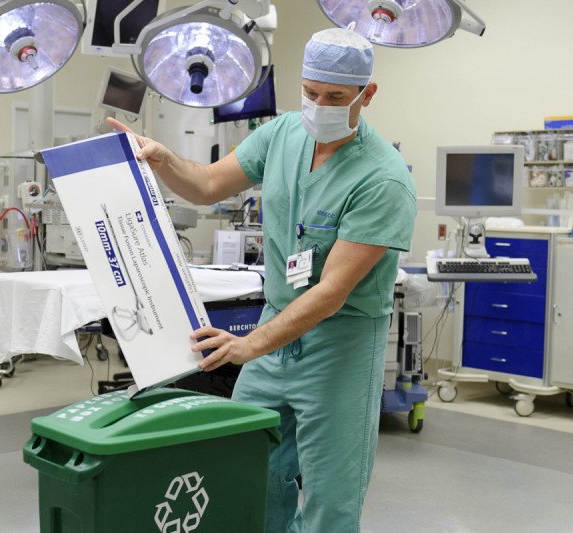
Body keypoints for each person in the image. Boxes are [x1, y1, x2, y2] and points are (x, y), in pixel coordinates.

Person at [107, 27, 417, 533]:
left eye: (336, 97)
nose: (319, 106)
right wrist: (164, 160)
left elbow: (331, 292)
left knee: (330, 497)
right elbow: (206, 186)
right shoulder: (283, 134)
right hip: (275, 331)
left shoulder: (382, 180)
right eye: (311, 92)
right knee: (248, 468)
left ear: (368, 94)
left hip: (340, 345)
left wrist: (252, 345)